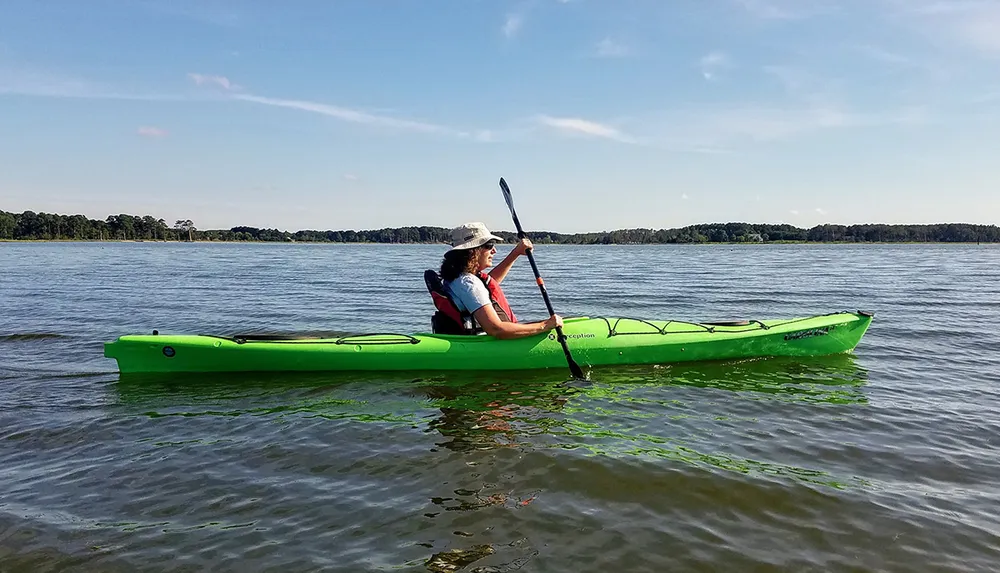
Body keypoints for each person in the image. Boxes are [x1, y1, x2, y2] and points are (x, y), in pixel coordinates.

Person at [439, 222, 563, 339]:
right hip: (488, 343)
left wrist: (516, 253)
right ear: (472, 252)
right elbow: (495, 329)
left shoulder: (457, 277)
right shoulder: (469, 284)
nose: (494, 250)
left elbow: (487, 286)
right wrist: (545, 326)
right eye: (489, 245)